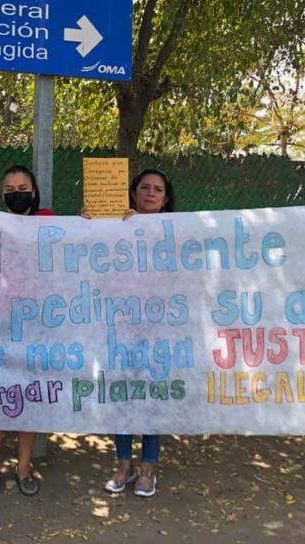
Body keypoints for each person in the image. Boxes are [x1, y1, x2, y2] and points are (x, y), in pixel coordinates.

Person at [0, 165, 53, 497]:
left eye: (22, 187)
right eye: (9, 188)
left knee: (28, 398)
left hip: (36, 325)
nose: (16, 192)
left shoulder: (50, 221)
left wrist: (87, 222)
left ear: (34, 191)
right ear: (1, 193)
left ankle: (23, 467)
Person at [96, 168, 175, 499]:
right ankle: (123, 465)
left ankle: (148, 469)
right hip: (121, 328)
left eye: (158, 189)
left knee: (153, 398)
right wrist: (91, 224)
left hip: (161, 329)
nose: (151, 193)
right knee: (122, 395)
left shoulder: (176, 231)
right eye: (144, 187)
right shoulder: (115, 228)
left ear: (166, 198)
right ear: (133, 193)